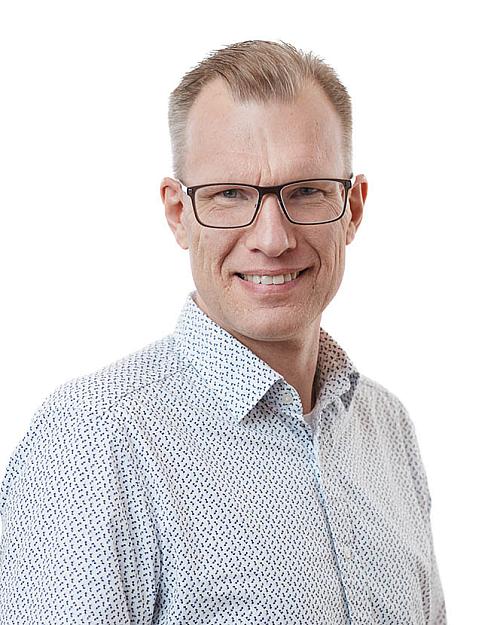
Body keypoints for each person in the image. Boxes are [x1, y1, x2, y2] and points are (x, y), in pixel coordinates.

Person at [0, 40, 447, 624]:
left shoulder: (387, 429)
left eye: (306, 191)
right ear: (178, 213)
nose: (273, 239)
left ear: (353, 208)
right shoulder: (90, 441)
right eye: (230, 195)